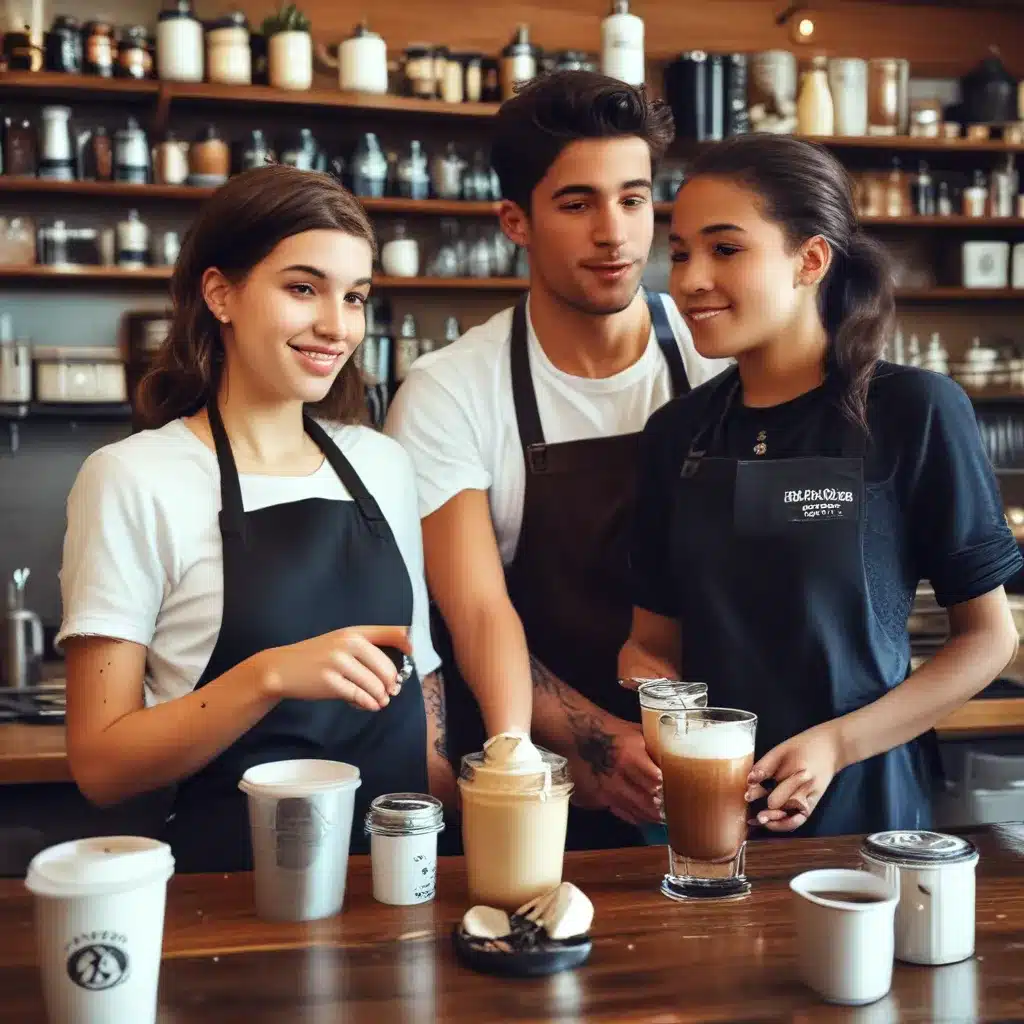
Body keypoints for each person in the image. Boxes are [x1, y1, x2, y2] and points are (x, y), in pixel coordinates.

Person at [620, 134, 1021, 837]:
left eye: (726, 249)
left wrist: (837, 744)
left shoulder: (914, 411)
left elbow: (987, 640)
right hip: (709, 811)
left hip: (864, 807)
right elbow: (653, 642)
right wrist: (666, 707)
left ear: (810, 260)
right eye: (680, 252)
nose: (687, 279)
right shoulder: (675, 434)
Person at [57, 165, 453, 872]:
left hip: (402, 879)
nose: (337, 326)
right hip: (237, 891)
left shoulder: (382, 463)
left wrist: (463, 811)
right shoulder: (133, 478)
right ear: (221, 294)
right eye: (304, 288)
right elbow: (101, 764)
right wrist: (266, 675)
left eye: (355, 296)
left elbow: (416, 678)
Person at [385, 71, 729, 849]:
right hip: (541, 787)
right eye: (578, 204)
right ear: (516, 220)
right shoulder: (451, 391)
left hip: (721, 762)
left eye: (633, 199)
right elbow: (476, 610)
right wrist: (599, 738)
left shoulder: (721, 356)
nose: (615, 233)